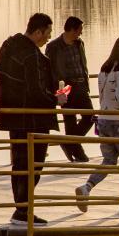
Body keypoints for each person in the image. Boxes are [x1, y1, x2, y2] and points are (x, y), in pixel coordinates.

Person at [0, 13, 68, 226]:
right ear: (38, 32)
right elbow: (36, 90)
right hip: (33, 119)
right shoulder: (32, 56)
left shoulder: (9, 47)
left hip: (13, 115)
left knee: (19, 163)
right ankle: (23, 211)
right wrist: (57, 98)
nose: (48, 38)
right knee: (33, 165)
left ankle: (21, 208)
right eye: (47, 33)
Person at [74, 37, 119, 215]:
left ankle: (87, 187)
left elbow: (104, 97)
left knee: (109, 161)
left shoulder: (104, 69)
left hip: (103, 120)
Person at [44, 16, 93, 162]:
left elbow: (83, 64)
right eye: (79, 30)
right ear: (72, 30)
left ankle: (69, 142)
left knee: (90, 117)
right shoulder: (53, 47)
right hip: (64, 86)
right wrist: (56, 90)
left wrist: (85, 82)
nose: (81, 33)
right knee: (69, 120)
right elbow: (49, 70)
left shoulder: (79, 43)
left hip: (81, 85)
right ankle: (78, 153)